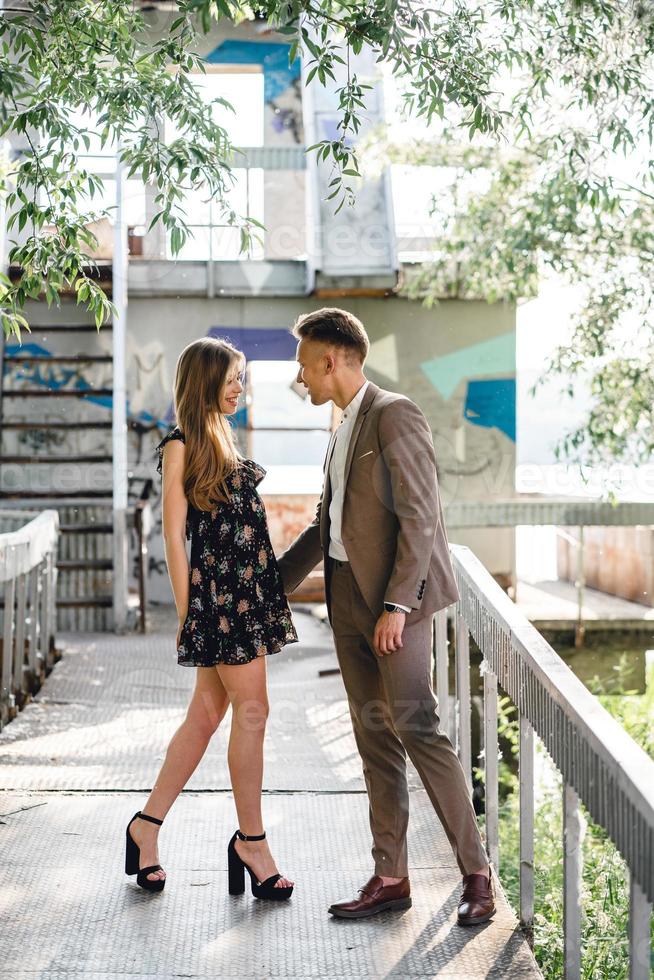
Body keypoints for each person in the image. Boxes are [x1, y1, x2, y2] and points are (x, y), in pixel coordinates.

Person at [277, 308, 495, 925]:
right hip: (344, 599)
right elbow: (327, 525)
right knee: (373, 735)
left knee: (417, 727)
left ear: (331, 358)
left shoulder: (394, 414)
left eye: (303, 363)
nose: (300, 376)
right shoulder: (340, 424)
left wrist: (398, 603)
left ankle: (477, 877)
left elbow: (422, 518)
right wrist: (272, 587)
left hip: (394, 605)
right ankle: (390, 877)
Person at [124, 337, 297, 900]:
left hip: (244, 595)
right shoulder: (180, 443)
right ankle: (253, 842)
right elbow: (175, 534)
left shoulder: (224, 434)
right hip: (219, 601)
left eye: (242, 377)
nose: (239, 386)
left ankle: (145, 827)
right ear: (206, 379)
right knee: (253, 711)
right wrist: (186, 611)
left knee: (205, 716)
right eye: (232, 377)